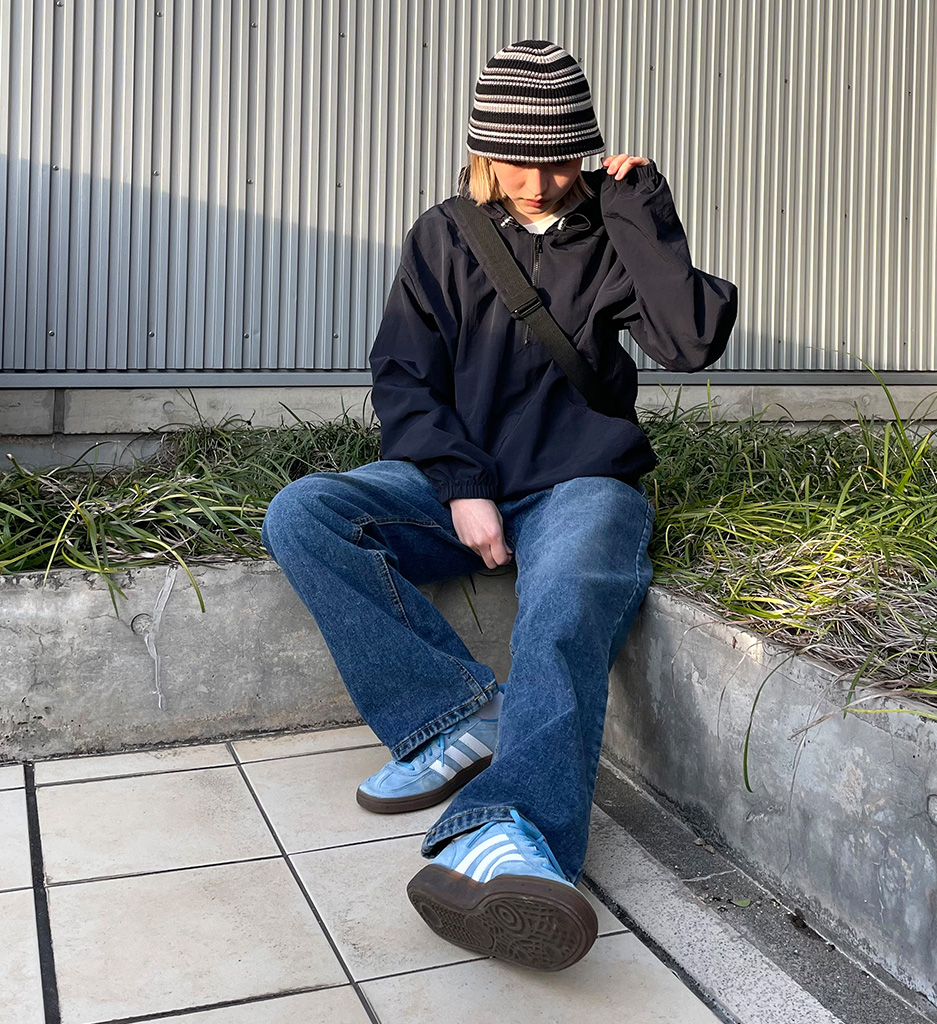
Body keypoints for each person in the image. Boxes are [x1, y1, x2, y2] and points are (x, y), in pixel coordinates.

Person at [261, 39, 737, 971]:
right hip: (458, 482)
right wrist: (462, 485)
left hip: (583, 484)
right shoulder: (443, 236)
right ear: (483, 147)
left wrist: (644, 212)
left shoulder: (612, 227)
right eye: (518, 158)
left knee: (563, 606)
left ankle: (511, 834)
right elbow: (403, 376)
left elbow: (688, 342)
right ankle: (452, 716)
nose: (540, 180)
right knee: (304, 514)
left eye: (561, 157)